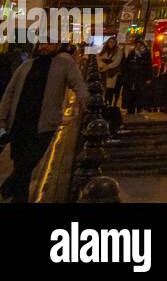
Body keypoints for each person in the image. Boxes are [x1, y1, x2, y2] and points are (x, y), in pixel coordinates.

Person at [0, 41, 90, 203]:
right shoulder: (26, 65)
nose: (44, 47)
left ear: (57, 46)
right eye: (42, 43)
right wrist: (2, 118)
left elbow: (78, 84)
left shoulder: (64, 64)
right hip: (19, 124)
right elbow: (10, 92)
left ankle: (8, 186)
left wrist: (86, 102)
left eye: (49, 44)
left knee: (28, 163)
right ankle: (19, 198)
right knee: (21, 165)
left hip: (44, 125)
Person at [121, 39, 152, 115]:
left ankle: (139, 109)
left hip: (141, 77)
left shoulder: (146, 53)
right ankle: (130, 109)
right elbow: (126, 63)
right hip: (131, 77)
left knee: (139, 93)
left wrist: (148, 78)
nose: (138, 46)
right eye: (137, 44)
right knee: (131, 93)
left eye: (140, 44)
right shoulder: (132, 53)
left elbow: (149, 66)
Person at [95, 36, 124, 107]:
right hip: (103, 71)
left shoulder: (118, 51)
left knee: (110, 89)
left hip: (112, 72)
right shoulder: (103, 49)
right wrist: (102, 65)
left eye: (113, 42)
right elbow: (98, 58)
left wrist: (107, 67)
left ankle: (109, 104)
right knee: (103, 87)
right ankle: (103, 102)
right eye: (110, 42)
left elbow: (117, 61)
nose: (112, 43)